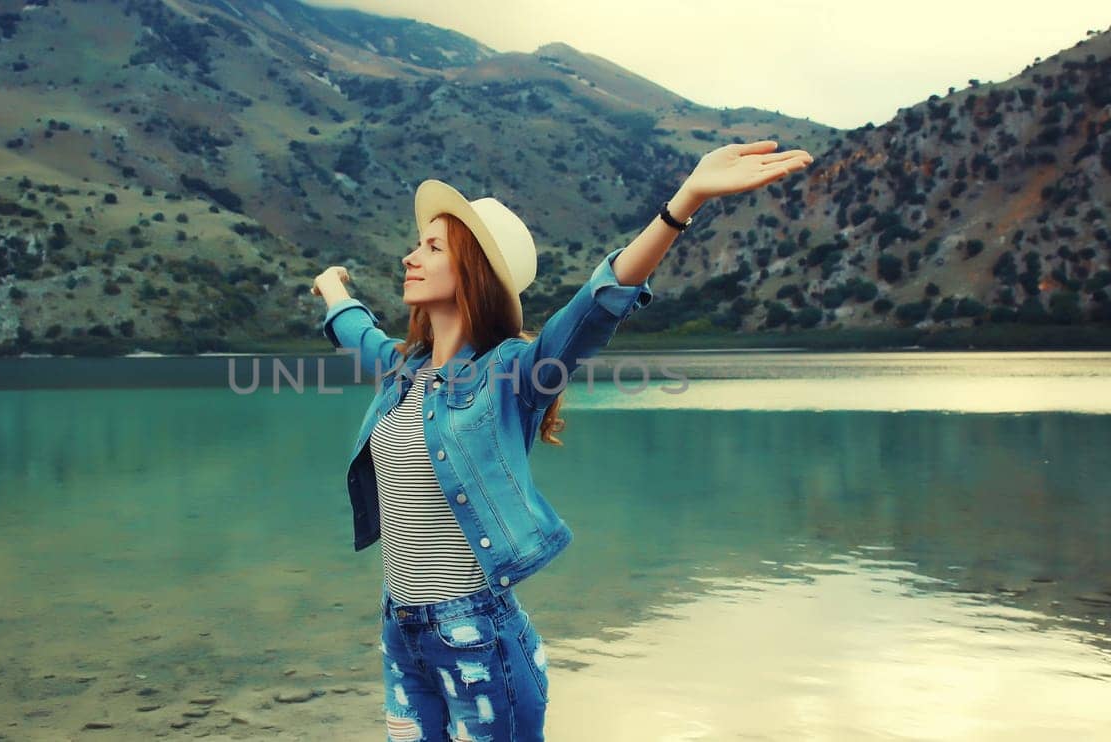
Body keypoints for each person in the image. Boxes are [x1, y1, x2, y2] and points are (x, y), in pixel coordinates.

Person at [311, 141, 813, 741]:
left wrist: (686, 201)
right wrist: (333, 289)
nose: (409, 256)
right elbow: (356, 331)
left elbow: (598, 305)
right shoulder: (402, 370)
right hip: (401, 634)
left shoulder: (516, 374)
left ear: (472, 270)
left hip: (476, 639)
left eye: (432, 247)